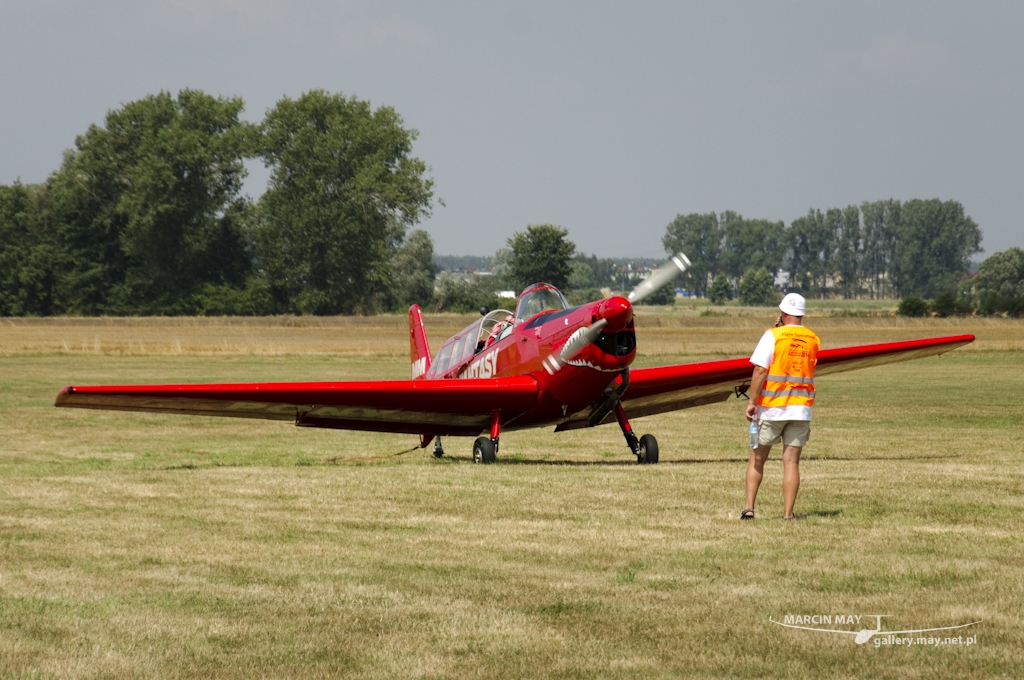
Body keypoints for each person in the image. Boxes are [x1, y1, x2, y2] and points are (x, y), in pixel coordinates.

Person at [741, 293, 819, 520]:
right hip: (801, 408)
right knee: (792, 462)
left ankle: (749, 508)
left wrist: (752, 402)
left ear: (783, 312)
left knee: (757, 459)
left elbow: (760, 370)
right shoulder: (813, 338)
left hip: (772, 407)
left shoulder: (772, 336)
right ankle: (788, 514)